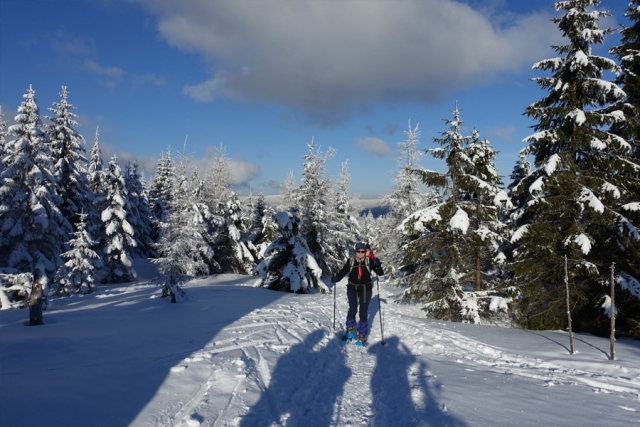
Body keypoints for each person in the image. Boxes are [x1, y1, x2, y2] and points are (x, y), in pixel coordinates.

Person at [331, 242, 384, 345]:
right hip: (352, 288)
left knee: (363, 312)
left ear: (365, 252)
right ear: (355, 252)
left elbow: (380, 273)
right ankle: (349, 331)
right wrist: (337, 277)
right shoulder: (350, 262)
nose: (360, 253)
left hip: (365, 290)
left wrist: (378, 265)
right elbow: (343, 272)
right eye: (358, 251)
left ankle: (362, 336)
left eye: (362, 251)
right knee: (352, 309)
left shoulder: (369, 262)